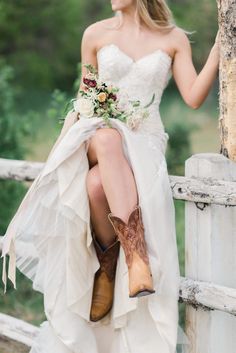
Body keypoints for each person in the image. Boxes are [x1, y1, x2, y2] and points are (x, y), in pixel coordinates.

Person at [1, 1, 219, 352]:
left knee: (97, 184)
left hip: (144, 142)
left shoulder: (174, 38)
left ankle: (107, 267)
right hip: (95, 134)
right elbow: (84, 98)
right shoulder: (95, 34)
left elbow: (193, 97)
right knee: (104, 137)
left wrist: (221, 48)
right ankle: (137, 259)